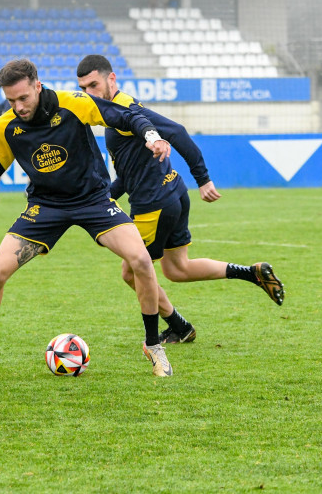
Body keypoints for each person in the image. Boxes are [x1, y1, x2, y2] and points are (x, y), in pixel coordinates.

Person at [0, 59, 177, 377]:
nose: (18, 106)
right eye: (11, 100)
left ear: (37, 86)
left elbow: (124, 116)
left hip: (94, 201)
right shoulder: (7, 126)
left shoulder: (72, 103)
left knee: (140, 260)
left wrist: (151, 137)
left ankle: (153, 346)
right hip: (46, 207)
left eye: (23, 98)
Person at [75, 54, 285, 344]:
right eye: (83, 88)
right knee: (177, 268)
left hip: (154, 205)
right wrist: (97, 200)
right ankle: (251, 274)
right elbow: (127, 174)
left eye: (94, 85)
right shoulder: (112, 116)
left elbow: (176, 131)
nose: (89, 94)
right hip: (173, 192)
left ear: (112, 79)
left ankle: (179, 326)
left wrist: (203, 178)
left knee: (130, 271)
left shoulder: (125, 108)